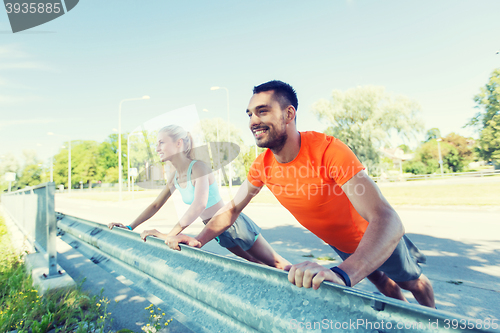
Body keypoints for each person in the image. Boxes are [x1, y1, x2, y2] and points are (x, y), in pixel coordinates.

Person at [168, 81, 436, 308]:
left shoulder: (328, 150)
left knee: (412, 282)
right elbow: (232, 210)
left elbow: (388, 219)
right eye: (249, 114)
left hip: (372, 238)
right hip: (341, 244)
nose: (253, 121)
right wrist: (198, 240)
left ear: (289, 113)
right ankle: (407, 323)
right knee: (383, 285)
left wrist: (344, 273)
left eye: (262, 111)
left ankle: (434, 324)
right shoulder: (262, 166)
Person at [108, 124, 290, 269]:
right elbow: (156, 205)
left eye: (161, 143)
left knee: (276, 264)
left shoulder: (198, 168)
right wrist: (130, 226)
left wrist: (169, 235)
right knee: (255, 265)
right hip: (214, 230)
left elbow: (199, 205)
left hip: (231, 223)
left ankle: (316, 287)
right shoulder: (175, 175)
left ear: (179, 143)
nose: (157, 148)